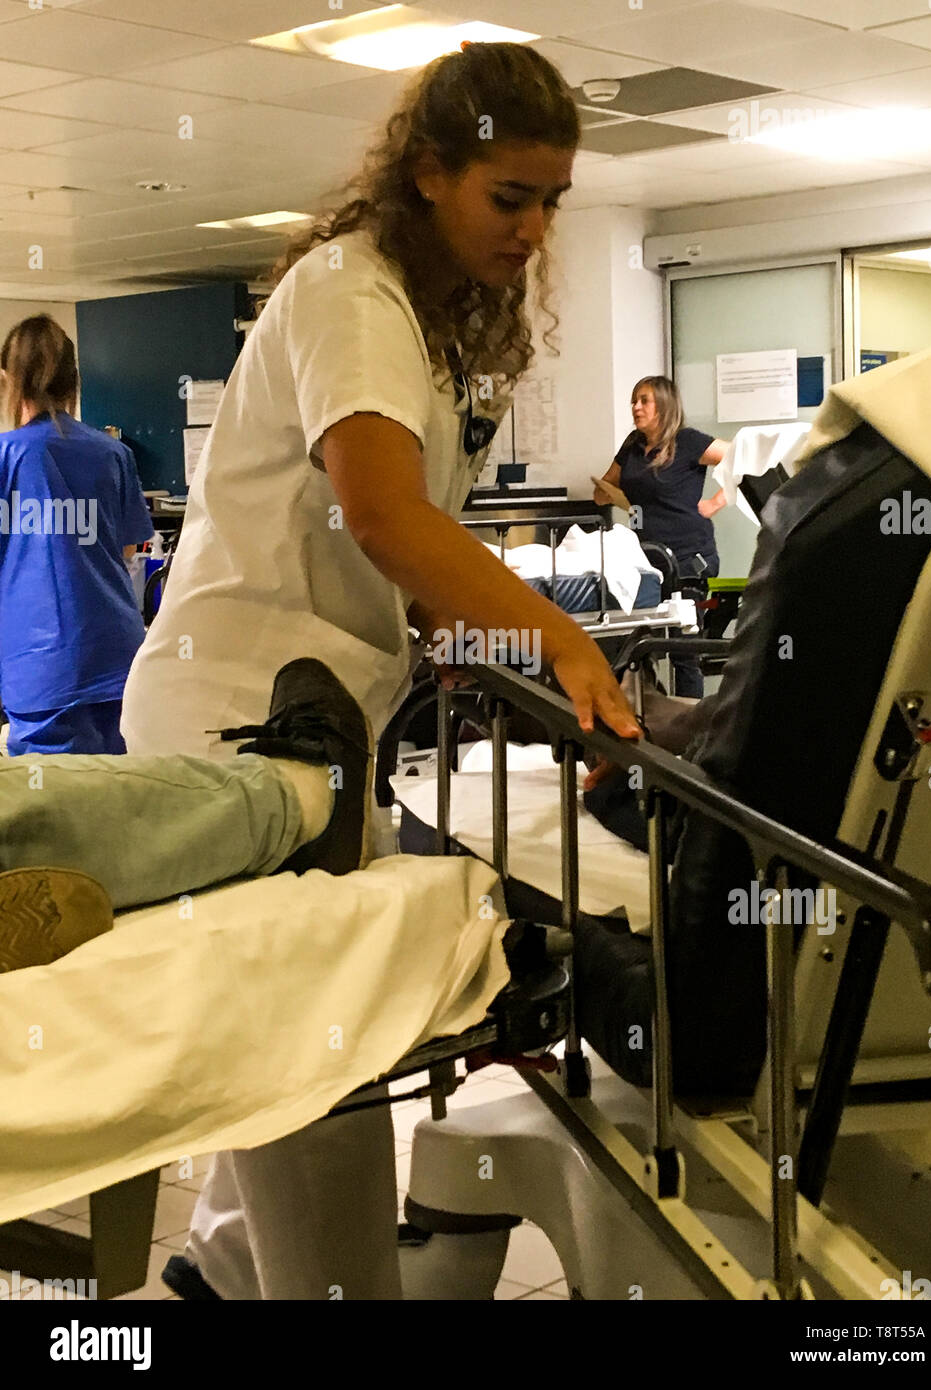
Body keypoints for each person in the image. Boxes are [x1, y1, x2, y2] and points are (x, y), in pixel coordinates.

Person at [118, 41, 641, 1300]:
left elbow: (408, 562)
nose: (533, 229)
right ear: (428, 174)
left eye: (551, 201)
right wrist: (561, 637)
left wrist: (470, 645)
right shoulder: (352, 292)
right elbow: (386, 516)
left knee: (292, 1040)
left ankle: (220, 1273)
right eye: (508, 197)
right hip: (234, 725)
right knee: (316, 1055)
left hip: (315, 730)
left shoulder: (431, 325)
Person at [0, 316, 154, 755]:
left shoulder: (6, 456)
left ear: (9, 380)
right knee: (116, 783)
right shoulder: (114, 454)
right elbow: (128, 547)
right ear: (74, 380)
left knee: (52, 790)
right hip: (117, 655)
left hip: (40, 667)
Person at [593, 376, 729, 696]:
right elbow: (604, 489)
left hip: (689, 559)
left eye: (644, 401)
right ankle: (653, 710)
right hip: (646, 559)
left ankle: (689, 723)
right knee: (637, 646)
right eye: (634, 401)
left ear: (664, 406)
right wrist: (606, 493)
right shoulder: (633, 445)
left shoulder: (688, 441)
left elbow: (745, 460)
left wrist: (715, 502)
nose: (636, 407)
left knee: (684, 651)